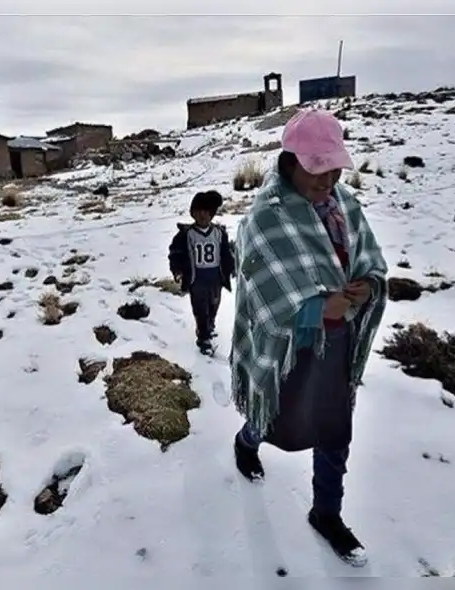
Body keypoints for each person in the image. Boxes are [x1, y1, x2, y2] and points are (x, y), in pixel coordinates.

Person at [229, 109, 388, 566]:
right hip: (290, 346)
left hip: (336, 343)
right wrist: (318, 308)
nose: (328, 179)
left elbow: (369, 259)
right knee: (276, 413)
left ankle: (326, 513)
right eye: (317, 168)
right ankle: (247, 440)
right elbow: (263, 292)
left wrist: (367, 285)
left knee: (335, 429)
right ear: (290, 162)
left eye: (334, 167)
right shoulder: (266, 217)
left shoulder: (343, 205)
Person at [168, 190, 236, 354]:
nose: (202, 215)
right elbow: (176, 254)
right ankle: (203, 337)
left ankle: (210, 324)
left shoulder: (219, 233)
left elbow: (226, 254)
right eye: (198, 211)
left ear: (212, 214)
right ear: (192, 213)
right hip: (196, 278)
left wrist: (232, 268)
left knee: (214, 305)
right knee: (200, 308)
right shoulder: (186, 235)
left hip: (215, 277)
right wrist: (177, 270)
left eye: (206, 211)